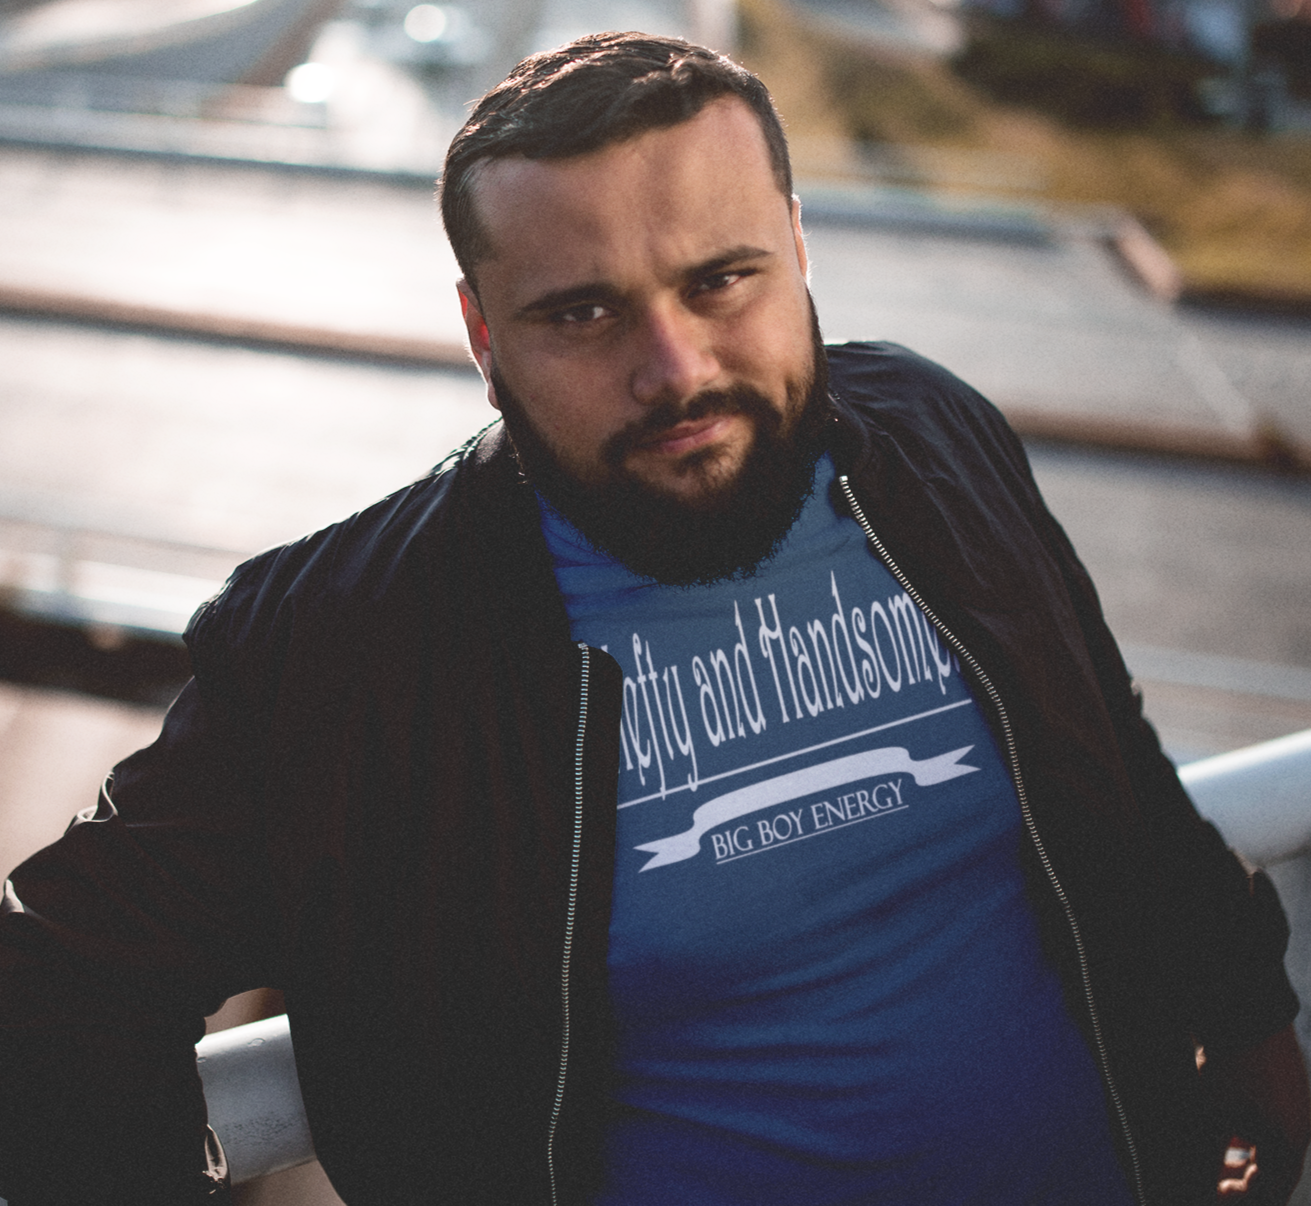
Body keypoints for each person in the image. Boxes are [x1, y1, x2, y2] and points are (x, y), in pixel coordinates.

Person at [0, 31, 1306, 1206]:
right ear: (483, 336)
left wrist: (1250, 1020)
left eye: (721, 279)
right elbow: (54, 992)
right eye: (582, 312)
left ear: (798, 249)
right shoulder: (345, 642)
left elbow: (1112, 761)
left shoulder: (932, 436)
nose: (674, 369)